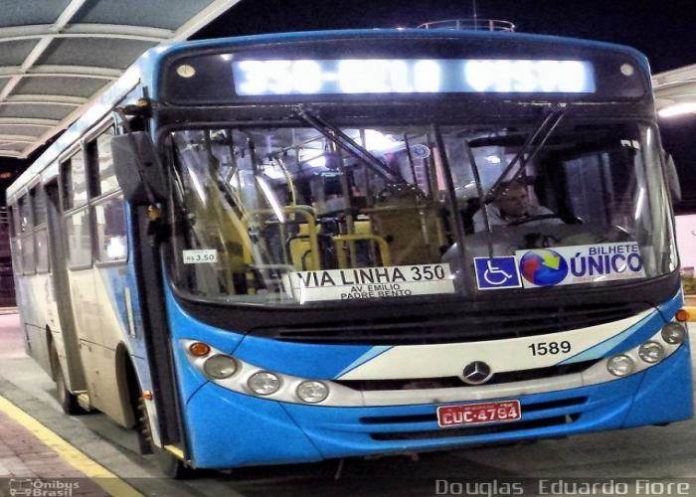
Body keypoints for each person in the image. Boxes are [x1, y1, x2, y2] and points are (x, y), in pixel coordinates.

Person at [473, 179, 563, 231]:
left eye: (523, 197)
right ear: (499, 203)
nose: (521, 202)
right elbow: (485, 241)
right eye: (513, 199)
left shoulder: (540, 212)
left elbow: (562, 231)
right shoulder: (485, 216)